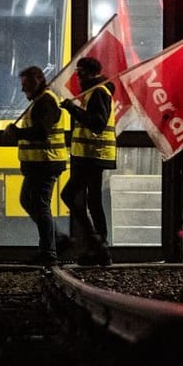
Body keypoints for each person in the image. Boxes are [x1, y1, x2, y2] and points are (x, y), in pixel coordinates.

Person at [59, 55, 116, 266]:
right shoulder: (93, 92)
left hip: (93, 156)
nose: (78, 76)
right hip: (89, 155)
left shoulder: (98, 92)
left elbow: (97, 123)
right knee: (92, 200)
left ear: (91, 73)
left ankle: (98, 244)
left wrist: (72, 109)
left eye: (80, 72)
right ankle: (99, 247)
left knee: (70, 195)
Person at [12, 65, 68, 265]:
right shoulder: (41, 101)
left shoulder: (45, 102)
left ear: (37, 80)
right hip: (40, 162)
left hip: (46, 162)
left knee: (39, 204)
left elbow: (41, 132)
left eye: (26, 84)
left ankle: (49, 253)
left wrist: (17, 133)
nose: (22, 89)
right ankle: (58, 239)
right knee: (29, 201)